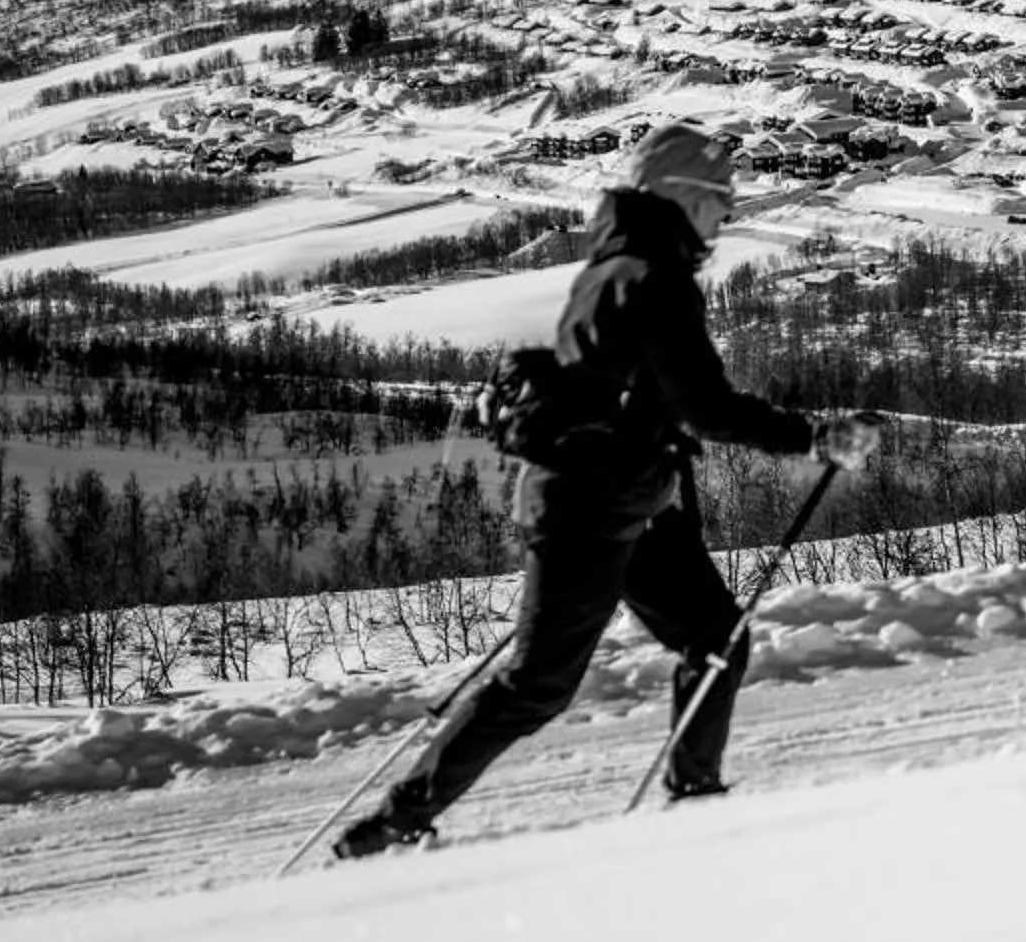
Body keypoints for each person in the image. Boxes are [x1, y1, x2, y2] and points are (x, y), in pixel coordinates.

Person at [338, 122, 879, 855]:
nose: (726, 213)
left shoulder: (614, 268)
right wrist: (813, 437)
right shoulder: (654, 280)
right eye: (719, 198)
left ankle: (695, 795)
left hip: (624, 498)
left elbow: (637, 398)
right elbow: (705, 406)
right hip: (589, 508)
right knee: (541, 683)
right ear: (683, 197)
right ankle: (397, 820)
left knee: (714, 638)